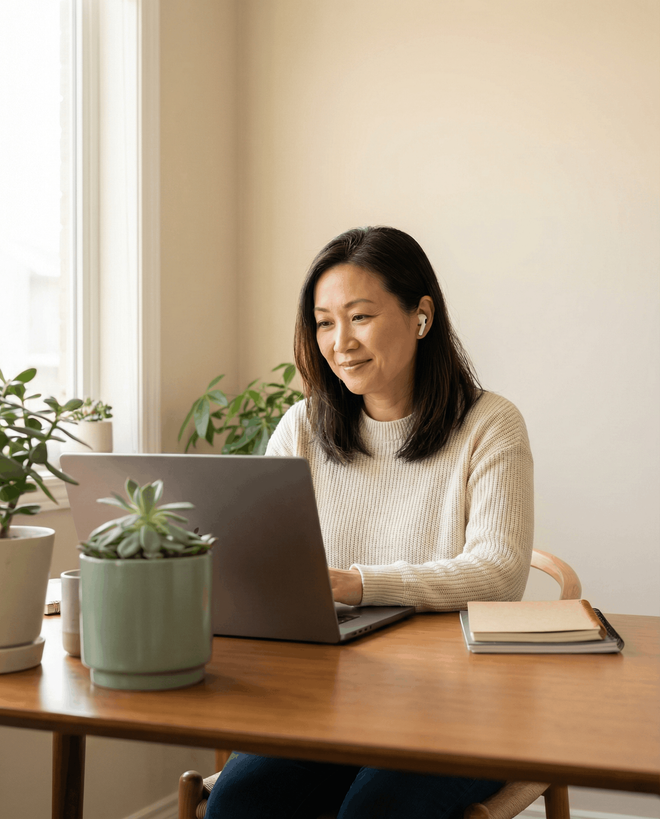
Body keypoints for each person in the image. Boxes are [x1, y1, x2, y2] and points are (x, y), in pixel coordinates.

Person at [205, 226, 534, 819]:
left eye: (359, 317)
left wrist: (358, 583)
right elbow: (258, 557)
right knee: (239, 800)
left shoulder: (491, 424)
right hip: (329, 698)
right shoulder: (302, 426)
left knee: (375, 811)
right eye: (324, 322)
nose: (340, 342)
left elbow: (500, 574)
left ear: (421, 317)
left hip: (463, 704)